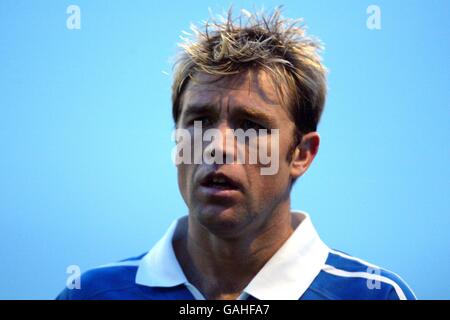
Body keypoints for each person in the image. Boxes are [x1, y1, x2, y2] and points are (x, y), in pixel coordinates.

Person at [57, 8, 416, 300]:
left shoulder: (372, 295)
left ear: (301, 154)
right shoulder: (91, 294)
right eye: (199, 121)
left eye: (252, 126)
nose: (218, 145)